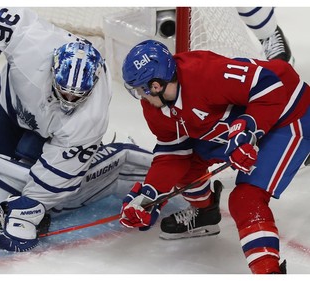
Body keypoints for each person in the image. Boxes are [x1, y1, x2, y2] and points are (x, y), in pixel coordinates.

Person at [0, 7, 153, 252]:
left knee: (19, 180)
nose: (68, 101)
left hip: (54, 134)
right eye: (64, 91)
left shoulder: (90, 118)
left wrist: (32, 206)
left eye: (77, 96)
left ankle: (101, 154)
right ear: (52, 68)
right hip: (10, 104)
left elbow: (58, 174)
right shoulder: (34, 44)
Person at [119, 39, 310, 274]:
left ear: (156, 85)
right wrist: (149, 195)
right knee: (188, 165)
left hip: (287, 113)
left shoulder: (204, 73)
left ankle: (269, 271)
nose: (140, 96)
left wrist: (249, 128)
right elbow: (174, 154)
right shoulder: (155, 108)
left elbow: (270, 85)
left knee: (245, 199)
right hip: (229, 128)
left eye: (141, 89)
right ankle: (206, 213)